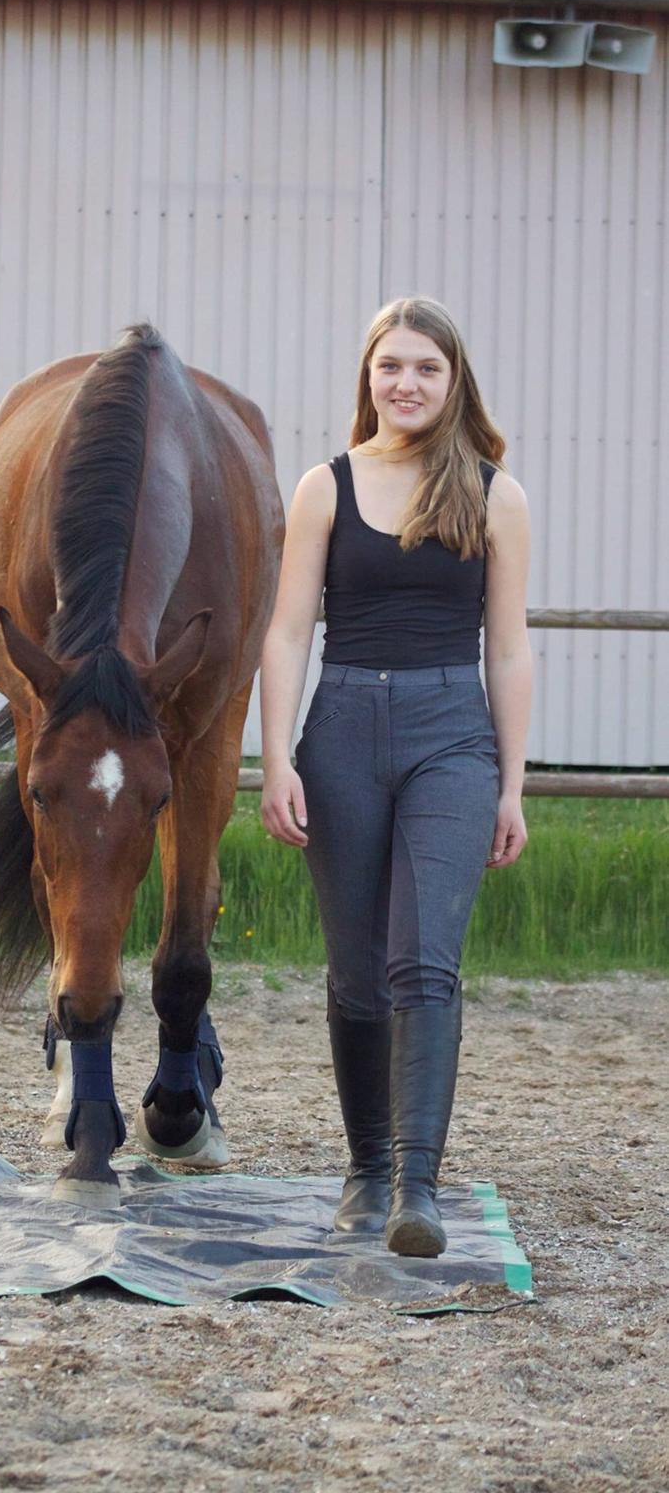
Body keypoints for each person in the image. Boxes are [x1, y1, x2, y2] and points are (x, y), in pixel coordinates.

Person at [259, 296, 532, 1258]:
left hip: (453, 734)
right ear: (367, 378)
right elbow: (289, 631)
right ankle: (365, 1172)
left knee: (427, 962)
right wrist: (277, 755)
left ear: (454, 382)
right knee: (357, 971)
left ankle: (418, 1187)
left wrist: (511, 783)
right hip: (342, 733)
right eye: (391, 366)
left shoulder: (495, 494)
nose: (406, 383)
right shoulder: (324, 487)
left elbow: (509, 649)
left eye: (426, 367)